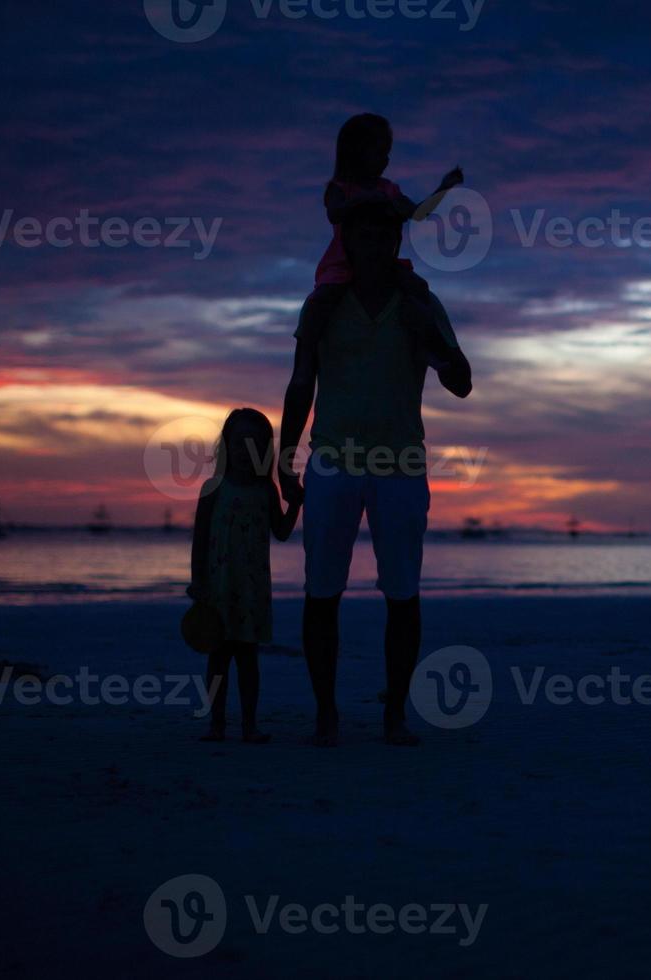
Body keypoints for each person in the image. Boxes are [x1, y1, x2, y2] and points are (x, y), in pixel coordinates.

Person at [278, 200, 473, 748]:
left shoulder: (420, 301)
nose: (374, 245)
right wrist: (285, 457)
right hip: (333, 460)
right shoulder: (322, 304)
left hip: (401, 464)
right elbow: (300, 385)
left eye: (385, 235)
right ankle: (326, 715)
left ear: (396, 241)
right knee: (322, 593)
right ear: (346, 240)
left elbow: (461, 381)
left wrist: (426, 335)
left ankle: (395, 717)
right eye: (362, 235)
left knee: (402, 594)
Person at [189, 408, 299, 743]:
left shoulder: (266, 491)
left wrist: (295, 503)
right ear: (227, 445)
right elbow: (199, 541)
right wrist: (198, 584)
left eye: (253, 443)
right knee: (218, 657)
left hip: (251, 589)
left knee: (248, 659)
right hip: (219, 587)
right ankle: (216, 724)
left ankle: (250, 726)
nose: (244, 450)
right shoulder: (213, 488)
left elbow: (281, 532)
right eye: (238, 442)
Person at [313, 113, 462, 289]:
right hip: (343, 264)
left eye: (387, 153)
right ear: (356, 152)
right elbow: (334, 214)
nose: (386, 160)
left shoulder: (388, 190)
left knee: (418, 290)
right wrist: (362, 200)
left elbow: (418, 213)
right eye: (379, 153)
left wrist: (443, 188)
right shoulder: (339, 189)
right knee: (323, 300)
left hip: (384, 263)